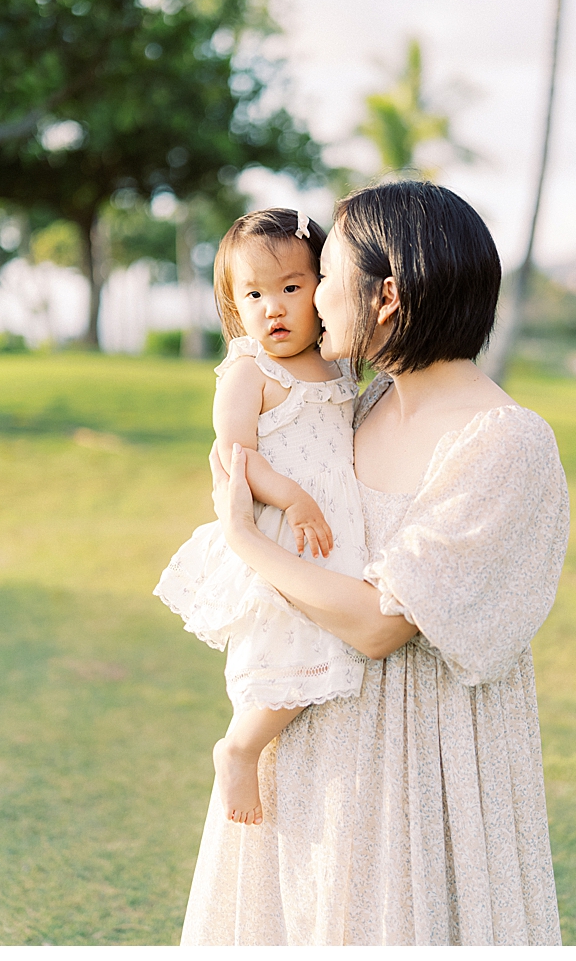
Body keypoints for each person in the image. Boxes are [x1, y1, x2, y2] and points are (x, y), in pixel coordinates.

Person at [180, 181, 568, 945]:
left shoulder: (504, 443)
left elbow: (380, 625)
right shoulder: (358, 407)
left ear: (386, 295)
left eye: (324, 275)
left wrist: (246, 542)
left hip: (422, 782)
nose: (311, 296)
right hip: (310, 760)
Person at [155, 208, 367, 827]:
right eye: (253, 294)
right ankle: (240, 746)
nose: (272, 308)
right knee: (285, 649)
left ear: (323, 291)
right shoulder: (251, 371)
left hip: (334, 533)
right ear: (233, 304)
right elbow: (235, 455)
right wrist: (293, 497)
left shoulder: (340, 364)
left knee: (330, 642)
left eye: (290, 289)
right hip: (283, 529)